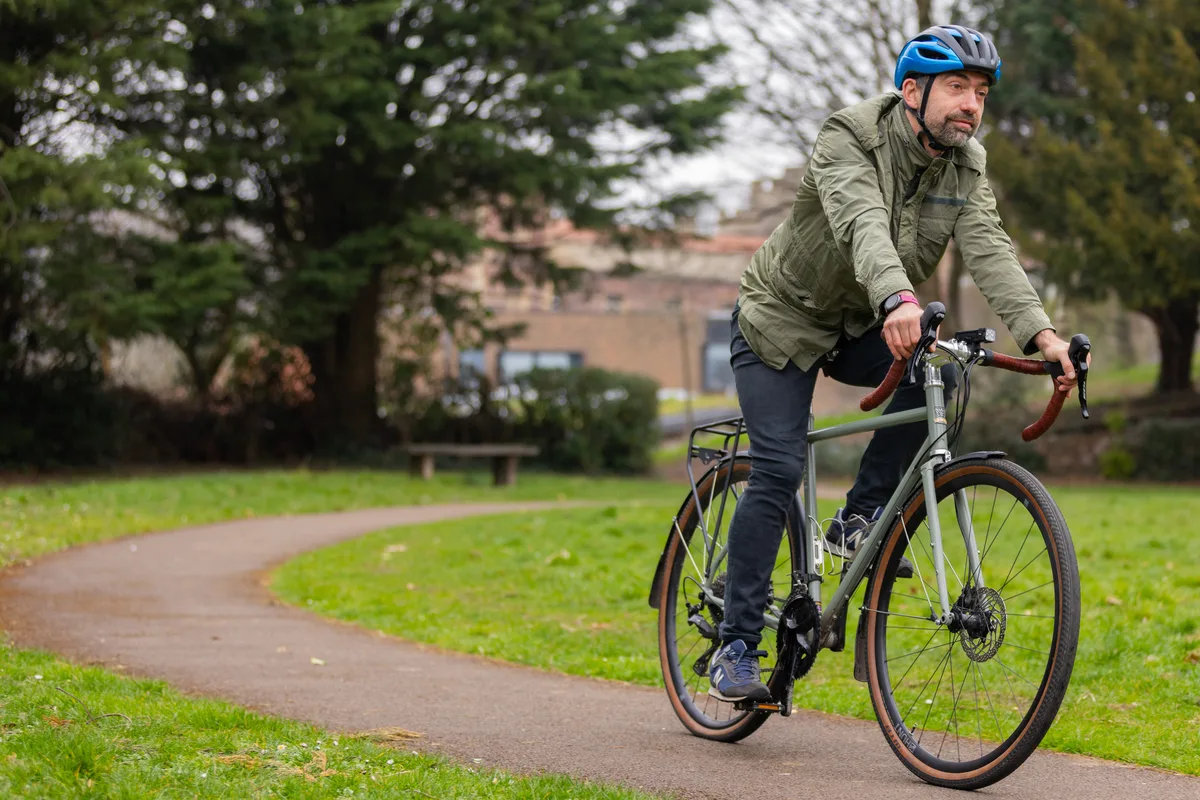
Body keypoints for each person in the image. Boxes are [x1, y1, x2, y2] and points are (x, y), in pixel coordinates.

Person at [707, 24, 1083, 703]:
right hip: (781, 319)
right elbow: (860, 221)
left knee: (934, 373)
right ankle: (735, 643)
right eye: (957, 88)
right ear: (913, 91)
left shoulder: (966, 164)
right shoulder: (847, 136)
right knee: (780, 468)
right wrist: (899, 295)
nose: (972, 104)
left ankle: (860, 519)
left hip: (866, 322)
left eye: (980, 92)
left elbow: (990, 249)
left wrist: (1044, 336)